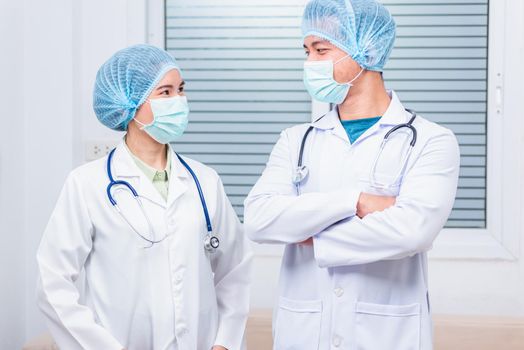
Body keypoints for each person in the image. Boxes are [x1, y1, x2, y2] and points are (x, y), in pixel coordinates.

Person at [244, 1, 460, 349]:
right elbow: (258, 219)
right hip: (303, 333)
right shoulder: (296, 140)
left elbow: (411, 231)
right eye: (306, 50)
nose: (309, 63)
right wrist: (356, 202)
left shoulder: (431, 140)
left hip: (386, 335)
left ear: (366, 50)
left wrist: (311, 235)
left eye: (321, 50)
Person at [36, 44, 252, 350]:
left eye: (181, 89)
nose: (180, 100)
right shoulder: (87, 184)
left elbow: (235, 269)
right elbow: (52, 283)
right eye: (165, 92)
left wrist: (224, 342)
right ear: (129, 104)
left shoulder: (205, 181)